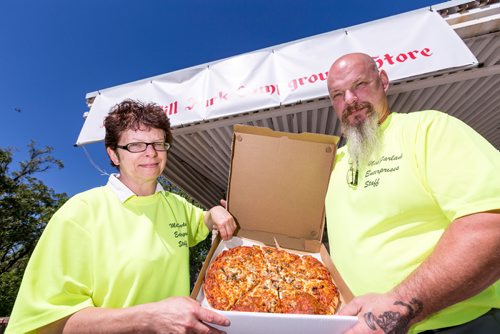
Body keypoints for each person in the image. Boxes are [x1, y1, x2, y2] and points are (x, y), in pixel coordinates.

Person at [6, 99, 237, 333]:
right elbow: (45, 325)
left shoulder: (175, 204)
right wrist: (148, 319)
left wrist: (214, 213)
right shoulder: (80, 212)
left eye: (158, 143)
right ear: (114, 155)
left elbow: (202, 222)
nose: (151, 153)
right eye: (136, 145)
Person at [325, 53, 500, 333]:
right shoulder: (331, 164)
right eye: (338, 94)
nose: (350, 100)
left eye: (359, 85)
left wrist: (397, 308)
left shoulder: (428, 130)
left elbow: (490, 227)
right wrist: (228, 213)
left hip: (459, 324)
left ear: (383, 81)